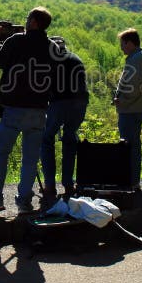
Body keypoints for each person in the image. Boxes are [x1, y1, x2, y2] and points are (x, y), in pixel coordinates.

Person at [0, 7, 56, 217]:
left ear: (34, 22)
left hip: (15, 107)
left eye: (29, 18)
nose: (26, 21)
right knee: (29, 159)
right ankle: (25, 202)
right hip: (38, 109)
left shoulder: (16, 41)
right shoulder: (52, 46)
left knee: (0, 153)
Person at [39, 36, 89, 205]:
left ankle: (50, 186)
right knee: (69, 139)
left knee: (46, 140)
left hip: (59, 103)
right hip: (80, 104)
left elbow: (43, 87)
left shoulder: (50, 59)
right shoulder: (76, 58)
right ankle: (68, 184)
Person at [113, 28, 142, 190]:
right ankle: (132, 180)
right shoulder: (141, 58)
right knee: (133, 144)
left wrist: (121, 100)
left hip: (130, 110)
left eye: (122, 44)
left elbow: (134, 86)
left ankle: (129, 181)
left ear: (129, 43)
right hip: (137, 108)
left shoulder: (136, 59)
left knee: (129, 146)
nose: (121, 47)